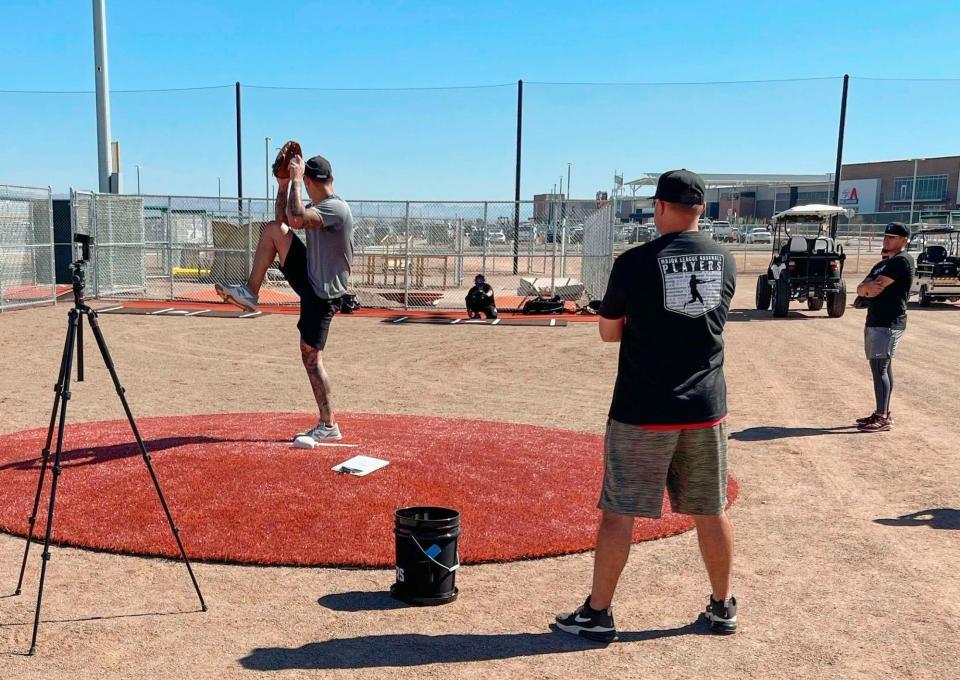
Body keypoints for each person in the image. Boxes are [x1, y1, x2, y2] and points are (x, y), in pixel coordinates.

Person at [555, 169, 738, 643]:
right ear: (701, 209)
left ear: (659, 207)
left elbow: (608, 330)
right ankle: (722, 606)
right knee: (710, 509)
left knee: (621, 513)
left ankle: (598, 613)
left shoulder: (635, 262)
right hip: (705, 405)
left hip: (644, 408)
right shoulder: (726, 260)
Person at [214, 154, 353, 445]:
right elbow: (284, 221)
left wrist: (296, 181)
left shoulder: (336, 209)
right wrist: (282, 185)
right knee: (273, 231)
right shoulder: (319, 205)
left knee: (312, 358)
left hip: (323, 291)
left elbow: (298, 218)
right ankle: (251, 292)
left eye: (304, 180)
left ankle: (329, 425)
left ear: (311, 181)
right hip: (311, 275)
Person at [854, 222, 914, 433]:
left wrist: (866, 289)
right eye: (886, 236)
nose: (887, 239)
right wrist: (864, 289)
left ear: (904, 240)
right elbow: (863, 288)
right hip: (875, 320)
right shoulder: (883, 264)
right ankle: (882, 411)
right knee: (881, 367)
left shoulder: (901, 261)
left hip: (888, 322)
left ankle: (882, 417)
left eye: (893, 237)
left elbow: (876, 287)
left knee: (880, 368)